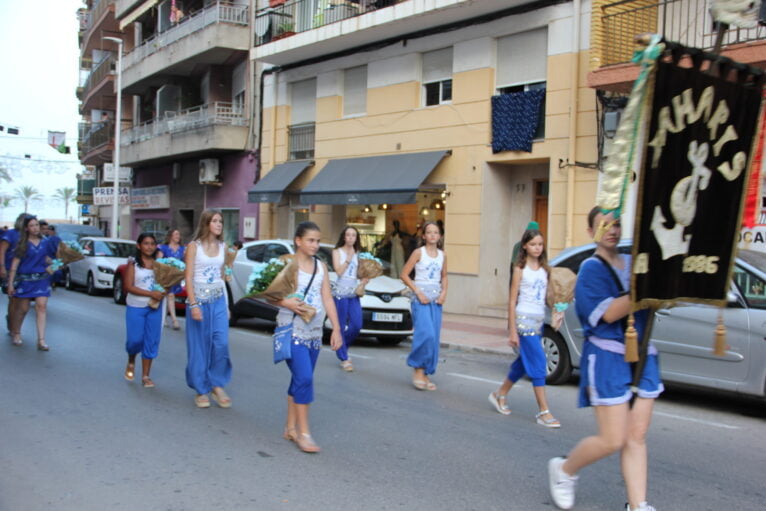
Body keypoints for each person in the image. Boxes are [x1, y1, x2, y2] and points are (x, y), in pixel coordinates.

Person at [548, 207, 662, 511]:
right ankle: (565, 469)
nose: (611, 230)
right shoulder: (590, 268)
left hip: (642, 353)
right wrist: (644, 287)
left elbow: (653, 303)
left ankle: (638, 505)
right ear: (590, 232)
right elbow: (609, 313)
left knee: (636, 435)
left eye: (616, 224)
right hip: (608, 357)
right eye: (603, 225)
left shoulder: (633, 263)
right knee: (613, 439)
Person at [275, 221, 342, 453]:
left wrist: (336, 328)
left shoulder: (320, 266)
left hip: (314, 333)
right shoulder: (287, 264)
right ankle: (304, 434)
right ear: (298, 241)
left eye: (318, 240)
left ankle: (290, 427)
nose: (315, 245)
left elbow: (327, 298)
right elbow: (268, 294)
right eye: (311, 240)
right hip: (291, 329)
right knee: (304, 378)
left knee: (300, 379)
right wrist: (285, 302)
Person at [488, 228, 560, 427]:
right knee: (538, 364)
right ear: (525, 246)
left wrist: (558, 308)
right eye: (533, 244)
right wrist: (512, 330)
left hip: (538, 322)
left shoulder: (546, 269)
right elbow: (512, 301)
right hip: (524, 321)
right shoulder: (520, 269)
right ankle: (544, 412)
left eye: (540, 244)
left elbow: (548, 297)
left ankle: (499, 394)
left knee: (523, 363)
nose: (537, 248)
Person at [184, 210, 232, 409]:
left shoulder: (224, 247)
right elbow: (188, 277)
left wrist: (227, 305)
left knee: (221, 342)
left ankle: (217, 383)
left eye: (221, 221)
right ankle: (201, 389)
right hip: (199, 300)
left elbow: (222, 278)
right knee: (200, 347)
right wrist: (194, 304)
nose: (219, 224)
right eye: (215, 221)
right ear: (206, 223)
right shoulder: (193, 247)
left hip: (218, 299)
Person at [400, 221, 448, 391]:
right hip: (420, 300)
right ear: (424, 235)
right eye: (429, 232)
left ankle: (426, 372)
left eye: (436, 232)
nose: (433, 235)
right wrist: (418, 292)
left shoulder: (443, 255)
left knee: (433, 338)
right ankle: (418, 368)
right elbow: (404, 274)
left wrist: (443, 293)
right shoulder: (418, 252)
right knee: (425, 334)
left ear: (440, 235)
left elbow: (444, 277)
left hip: (436, 301)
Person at [7, 216, 61, 350]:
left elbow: (46, 258)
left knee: (41, 306)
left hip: (41, 279)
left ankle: (41, 340)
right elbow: (15, 264)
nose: (36, 228)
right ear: (26, 228)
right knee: (23, 309)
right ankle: (17, 332)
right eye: (32, 225)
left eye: (36, 225)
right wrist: (10, 283)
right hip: (25, 280)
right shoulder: (22, 244)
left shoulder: (45, 242)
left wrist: (57, 264)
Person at [123, 233, 166, 388]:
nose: (149, 247)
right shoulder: (133, 264)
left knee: (151, 340)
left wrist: (163, 291)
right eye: (146, 243)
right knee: (135, 340)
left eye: (152, 244)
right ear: (139, 246)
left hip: (155, 307)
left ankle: (146, 375)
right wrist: (150, 293)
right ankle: (131, 360)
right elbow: (128, 287)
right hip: (136, 306)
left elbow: (165, 282)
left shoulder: (160, 264)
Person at [331, 226, 368, 372]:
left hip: (353, 294)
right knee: (339, 325)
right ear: (344, 237)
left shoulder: (357, 253)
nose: (351, 238)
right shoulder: (337, 252)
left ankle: (341, 345)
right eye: (348, 235)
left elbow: (356, 273)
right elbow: (339, 271)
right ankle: (344, 357)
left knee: (357, 325)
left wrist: (364, 279)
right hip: (340, 293)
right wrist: (348, 258)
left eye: (354, 235)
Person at [0, 214, 32, 329]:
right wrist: (2, 267)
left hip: (26, 271)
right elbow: (2, 251)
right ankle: (12, 321)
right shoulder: (10, 234)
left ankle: (16, 324)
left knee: (22, 301)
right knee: (13, 298)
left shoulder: (30, 236)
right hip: (10, 270)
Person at [158, 228, 185, 330]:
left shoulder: (182, 249)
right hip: (166, 275)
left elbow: (185, 262)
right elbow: (159, 261)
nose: (178, 236)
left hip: (176, 276)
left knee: (169, 296)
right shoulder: (163, 248)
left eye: (179, 235)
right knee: (170, 295)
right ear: (171, 236)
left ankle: (164, 317)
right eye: (176, 234)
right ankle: (174, 320)